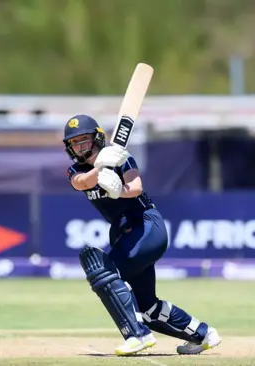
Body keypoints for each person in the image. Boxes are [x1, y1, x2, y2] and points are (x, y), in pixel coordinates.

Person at [63, 114, 222, 356]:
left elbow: (136, 187)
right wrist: (99, 168)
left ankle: (137, 336)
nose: (80, 147)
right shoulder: (77, 170)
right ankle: (202, 333)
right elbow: (81, 182)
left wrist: (119, 190)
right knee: (148, 309)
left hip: (146, 225)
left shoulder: (120, 158)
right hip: (121, 230)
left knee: (102, 270)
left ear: (96, 138)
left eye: (84, 140)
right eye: (74, 143)